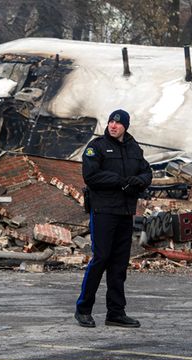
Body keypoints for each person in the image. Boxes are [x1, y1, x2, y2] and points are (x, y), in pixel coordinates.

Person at [75, 109, 152, 328]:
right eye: (110, 122)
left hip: (125, 212)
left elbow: (147, 173)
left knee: (119, 265)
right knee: (101, 259)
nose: (113, 126)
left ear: (125, 126)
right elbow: (91, 176)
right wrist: (120, 181)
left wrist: (136, 182)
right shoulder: (96, 147)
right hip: (104, 211)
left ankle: (115, 313)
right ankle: (83, 310)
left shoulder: (134, 148)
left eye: (118, 123)